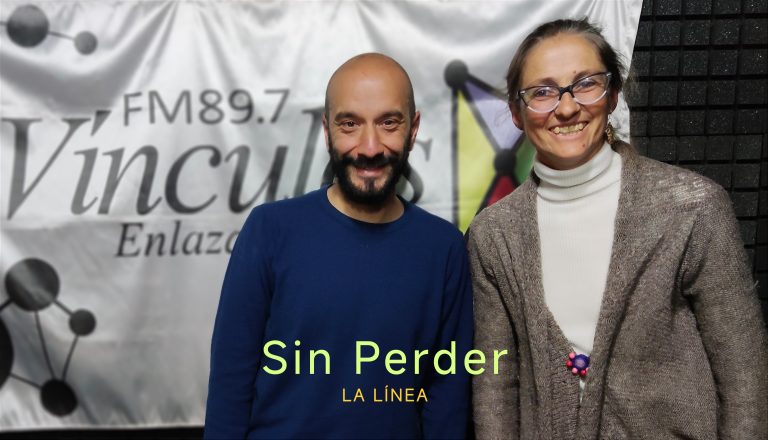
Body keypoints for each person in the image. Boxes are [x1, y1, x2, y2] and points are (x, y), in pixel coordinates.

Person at [468, 18, 767, 439]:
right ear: (517, 113)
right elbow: (495, 385)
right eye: (542, 92)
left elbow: (745, 380)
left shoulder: (692, 208)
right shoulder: (493, 234)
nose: (566, 107)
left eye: (585, 84)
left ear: (612, 95)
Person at [205, 53, 472, 439]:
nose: (369, 147)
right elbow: (231, 382)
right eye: (350, 124)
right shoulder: (269, 231)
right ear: (327, 130)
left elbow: (446, 399)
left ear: (413, 129)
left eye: (388, 122)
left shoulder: (444, 248)